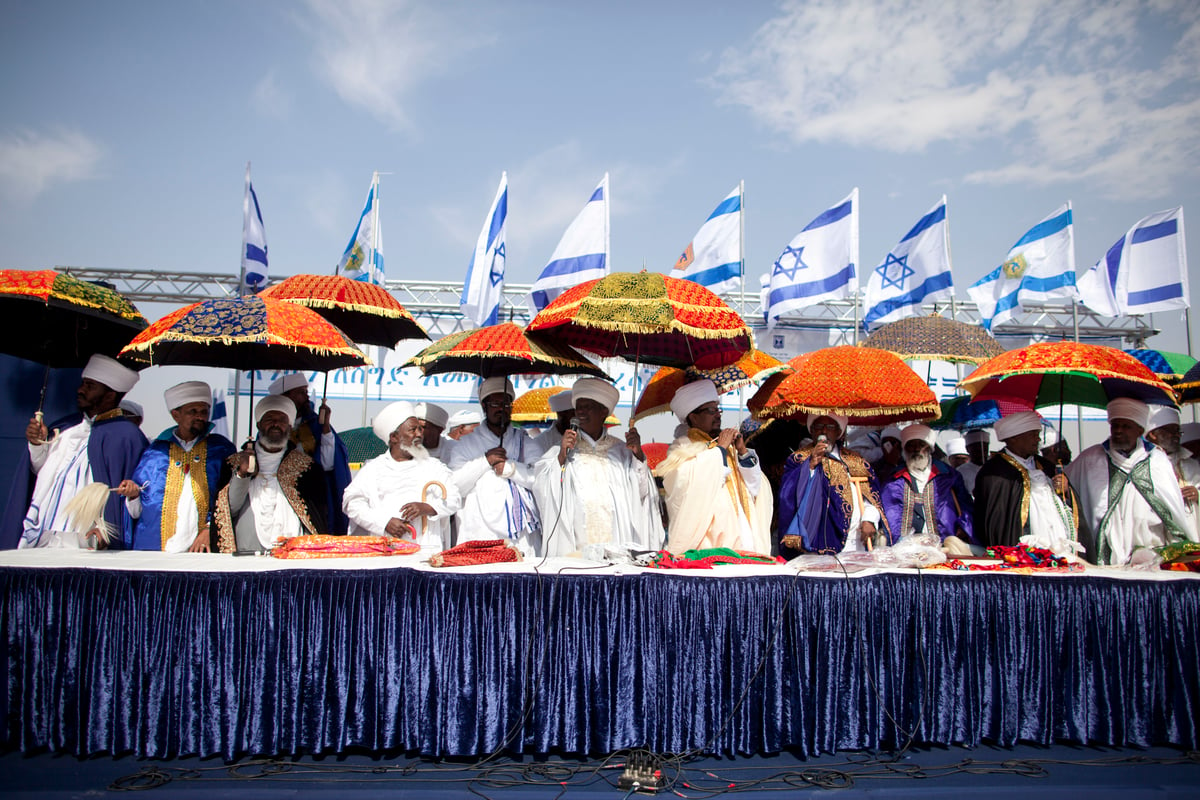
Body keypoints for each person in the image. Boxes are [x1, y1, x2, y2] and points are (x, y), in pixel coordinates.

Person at [4, 354, 147, 549]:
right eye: (83, 384)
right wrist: (37, 444)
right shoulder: (65, 427)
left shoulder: (127, 437)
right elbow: (39, 471)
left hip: (84, 539)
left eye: (90, 386)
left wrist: (110, 529)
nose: (81, 390)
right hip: (43, 533)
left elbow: (128, 497)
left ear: (110, 395)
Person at [534, 378, 664, 557]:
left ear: (604, 411)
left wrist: (638, 456)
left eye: (588, 406)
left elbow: (642, 494)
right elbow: (543, 489)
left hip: (617, 541)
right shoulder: (560, 449)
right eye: (578, 406)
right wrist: (562, 457)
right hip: (576, 545)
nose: (581, 411)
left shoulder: (622, 452)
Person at [1065, 398, 1191, 565]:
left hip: (1152, 554)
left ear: (1139, 430)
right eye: (1115, 425)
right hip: (1106, 560)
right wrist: (1062, 484)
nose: (1118, 430)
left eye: (1126, 426)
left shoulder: (1156, 460)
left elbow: (1173, 510)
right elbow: (1066, 495)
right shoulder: (1090, 459)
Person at [115, 381, 236, 552]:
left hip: (202, 547)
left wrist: (210, 528)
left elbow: (231, 498)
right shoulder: (156, 452)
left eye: (204, 411)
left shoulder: (222, 449)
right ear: (175, 415)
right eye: (192, 412)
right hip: (156, 548)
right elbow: (138, 511)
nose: (200, 417)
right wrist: (133, 495)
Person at [654, 380, 772, 555]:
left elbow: (755, 487)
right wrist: (719, 452)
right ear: (693, 417)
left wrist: (742, 452)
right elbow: (683, 487)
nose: (718, 415)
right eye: (711, 410)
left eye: (718, 410)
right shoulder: (682, 448)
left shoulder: (726, 445)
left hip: (742, 535)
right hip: (707, 540)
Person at [213, 395, 329, 552]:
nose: (276, 424)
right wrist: (242, 474)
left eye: (282, 419)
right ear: (259, 424)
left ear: (289, 426)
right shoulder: (233, 462)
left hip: (293, 553)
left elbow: (315, 518)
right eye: (269, 419)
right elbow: (228, 510)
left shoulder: (307, 468)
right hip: (248, 552)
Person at [343, 401, 462, 549]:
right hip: (385, 550)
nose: (419, 434)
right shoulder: (373, 469)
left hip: (426, 549)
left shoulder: (434, 467)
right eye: (413, 430)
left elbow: (454, 499)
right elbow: (352, 503)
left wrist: (428, 507)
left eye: (420, 429)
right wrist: (383, 522)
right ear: (394, 437)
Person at [448, 377, 545, 554]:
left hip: (522, 538)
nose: (501, 409)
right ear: (484, 406)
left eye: (506, 403)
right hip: (479, 532)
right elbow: (455, 486)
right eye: (495, 404)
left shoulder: (524, 441)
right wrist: (485, 461)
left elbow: (541, 478)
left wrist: (511, 469)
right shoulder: (466, 444)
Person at [973, 411, 1090, 558]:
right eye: (1033, 435)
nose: (1038, 439)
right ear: (1014, 438)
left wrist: (1065, 490)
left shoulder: (1047, 466)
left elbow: (1068, 503)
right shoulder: (994, 472)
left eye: (1038, 434)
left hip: (1059, 547)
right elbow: (998, 521)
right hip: (1026, 553)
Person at [778, 412, 886, 556]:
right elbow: (787, 494)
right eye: (819, 426)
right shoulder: (798, 459)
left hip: (853, 542)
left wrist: (870, 519)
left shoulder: (855, 461)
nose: (824, 431)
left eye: (830, 427)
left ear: (839, 432)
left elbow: (872, 497)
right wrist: (809, 466)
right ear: (811, 430)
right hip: (813, 545)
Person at [268, 373, 352, 533]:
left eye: (306, 392)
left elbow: (328, 464)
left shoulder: (315, 424)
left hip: (310, 496)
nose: (306, 397)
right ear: (286, 398)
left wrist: (325, 427)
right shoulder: (272, 430)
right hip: (277, 493)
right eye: (300, 393)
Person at [880, 425, 975, 551]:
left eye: (921, 444)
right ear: (904, 448)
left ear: (929, 448)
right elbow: (886, 511)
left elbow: (965, 505)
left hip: (943, 543)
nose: (916, 449)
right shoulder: (894, 480)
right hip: (905, 547)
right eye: (911, 445)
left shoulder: (948, 475)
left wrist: (963, 527)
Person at [1144, 405, 1200, 542]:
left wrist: (1197, 494)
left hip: (1191, 532)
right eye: (1171, 431)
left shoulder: (1190, 464)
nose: (1176, 436)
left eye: (1178, 431)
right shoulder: (1143, 464)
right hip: (1158, 535)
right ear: (1153, 434)